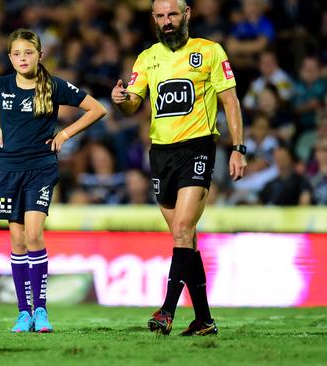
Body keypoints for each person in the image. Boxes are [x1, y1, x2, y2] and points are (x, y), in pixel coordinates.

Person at [0, 28, 106, 333]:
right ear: (9, 58)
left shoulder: (54, 86)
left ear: (40, 54)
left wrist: (64, 133)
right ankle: (24, 313)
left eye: (28, 52)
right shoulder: (0, 86)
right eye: (17, 54)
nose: (23, 58)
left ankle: (41, 311)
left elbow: (96, 109)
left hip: (41, 168)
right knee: (17, 240)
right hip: (8, 169)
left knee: (35, 236)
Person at [111, 0, 247, 336]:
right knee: (184, 239)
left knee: (184, 229)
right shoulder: (146, 58)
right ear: (153, 19)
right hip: (160, 154)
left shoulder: (210, 51)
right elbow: (133, 106)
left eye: (173, 14)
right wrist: (122, 100)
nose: (167, 21)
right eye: (160, 16)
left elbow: (230, 100)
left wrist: (238, 149)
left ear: (187, 14)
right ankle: (204, 320)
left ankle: (166, 310)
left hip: (197, 147)